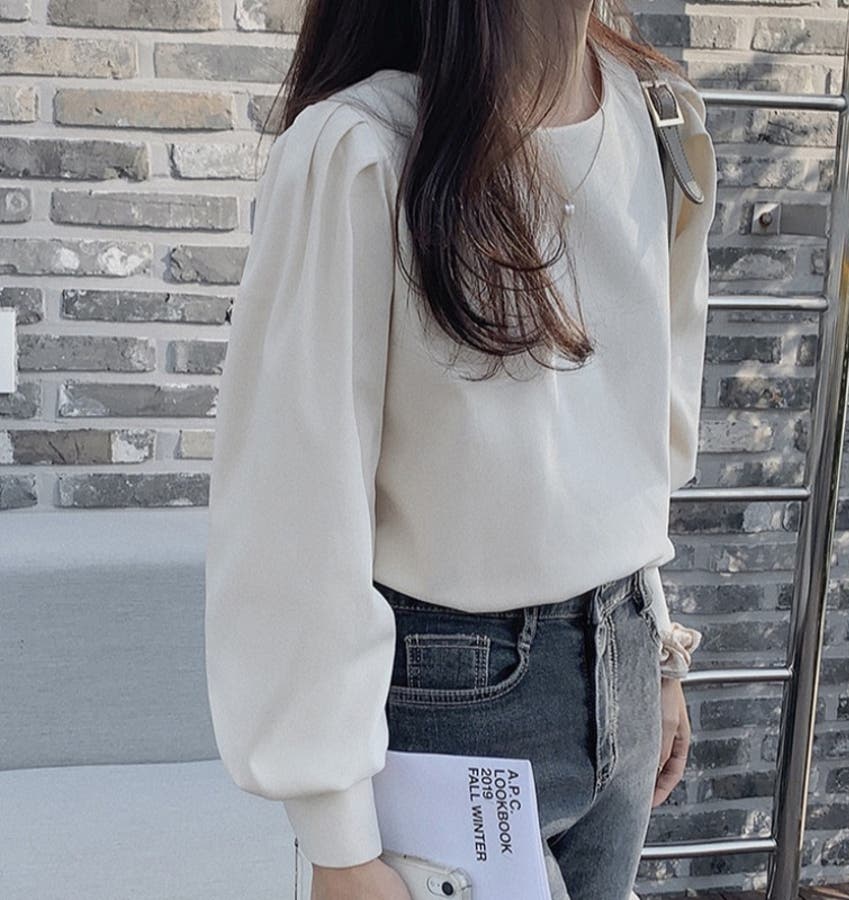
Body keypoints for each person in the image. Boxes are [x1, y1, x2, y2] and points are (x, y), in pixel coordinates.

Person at [204, 1, 716, 898]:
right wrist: (338, 839)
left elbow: (628, 434)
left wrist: (657, 649)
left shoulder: (658, 112)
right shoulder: (363, 148)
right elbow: (296, 512)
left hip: (626, 653)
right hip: (452, 696)